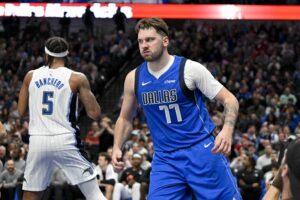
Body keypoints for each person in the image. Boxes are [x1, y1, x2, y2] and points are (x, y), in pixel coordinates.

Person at [112, 17, 241, 200]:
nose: (144, 45)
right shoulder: (134, 78)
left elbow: (230, 99)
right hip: (165, 158)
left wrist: (227, 130)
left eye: (150, 40)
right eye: (140, 41)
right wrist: (117, 146)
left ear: (165, 41)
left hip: (202, 150)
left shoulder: (190, 69)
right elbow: (125, 118)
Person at [18, 36, 106, 200]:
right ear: (67, 55)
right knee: (93, 192)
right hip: (65, 139)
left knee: (31, 193)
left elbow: (21, 111)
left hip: (38, 140)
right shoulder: (76, 78)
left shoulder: (30, 76)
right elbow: (94, 113)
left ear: (46, 54)